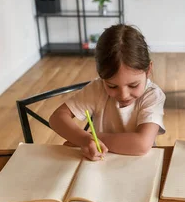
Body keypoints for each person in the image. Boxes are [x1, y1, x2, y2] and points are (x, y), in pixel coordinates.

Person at [50, 24, 165, 160]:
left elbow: (141, 145)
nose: (123, 95)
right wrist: (84, 139)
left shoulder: (152, 95)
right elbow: (57, 118)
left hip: (141, 164)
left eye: (133, 85)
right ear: (101, 76)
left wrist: (92, 138)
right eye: (112, 86)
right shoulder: (97, 88)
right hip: (102, 162)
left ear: (148, 70)